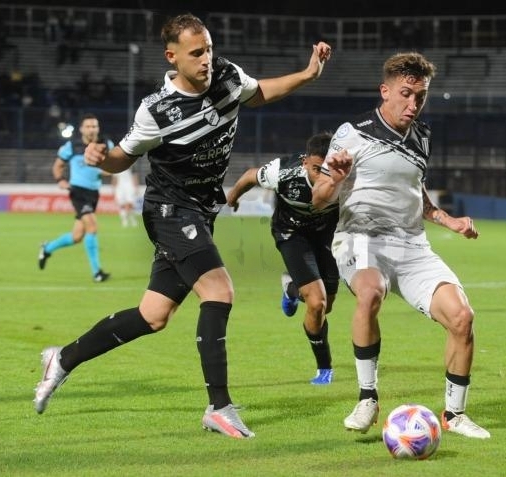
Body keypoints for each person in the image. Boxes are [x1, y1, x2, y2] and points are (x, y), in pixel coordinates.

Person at [33, 13, 332, 440]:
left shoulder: (226, 75)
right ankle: (219, 407)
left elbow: (259, 92)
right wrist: (101, 160)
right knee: (219, 291)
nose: (206, 59)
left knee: (152, 315)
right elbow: (123, 157)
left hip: (200, 211)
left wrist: (307, 74)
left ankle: (62, 358)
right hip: (169, 210)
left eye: (208, 48)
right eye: (196, 53)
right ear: (172, 57)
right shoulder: (157, 110)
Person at [311, 51, 490, 439]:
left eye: (420, 96)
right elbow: (319, 199)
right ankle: (367, 398)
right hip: (360, 239)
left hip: (411, 246)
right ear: (385, 91)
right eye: (406, 94)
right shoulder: (352, 133)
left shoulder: (422, 137)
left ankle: (454, 414)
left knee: (462, 317)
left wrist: (448, 220)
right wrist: (335, 179)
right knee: (370, 291)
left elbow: (416, 194)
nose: (413, 104)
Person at [226, 132, 339, 386]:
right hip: (291, 233)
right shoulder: (284, 172)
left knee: (327, 305)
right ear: (305, 162)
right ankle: (324, 367)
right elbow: (250, 175)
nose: (322, 177)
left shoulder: (346, 176)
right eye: (316, 169)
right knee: (317, 303)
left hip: (326, 236)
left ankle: (292, 288)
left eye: (327, 170)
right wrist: (232, 198)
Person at [38, 113, 112, 283]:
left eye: (94, 126)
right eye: (88, 126)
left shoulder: (106, 144)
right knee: (92, 227)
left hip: (94, 193)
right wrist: (60, 180)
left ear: (98, 128)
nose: (91, 129)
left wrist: (107, 170)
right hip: (78, 192)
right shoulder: (72, 146)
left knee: (77, 236)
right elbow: (58, 166)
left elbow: (111, 168)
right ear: (81, 129)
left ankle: (47, 248)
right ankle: (97, 273)